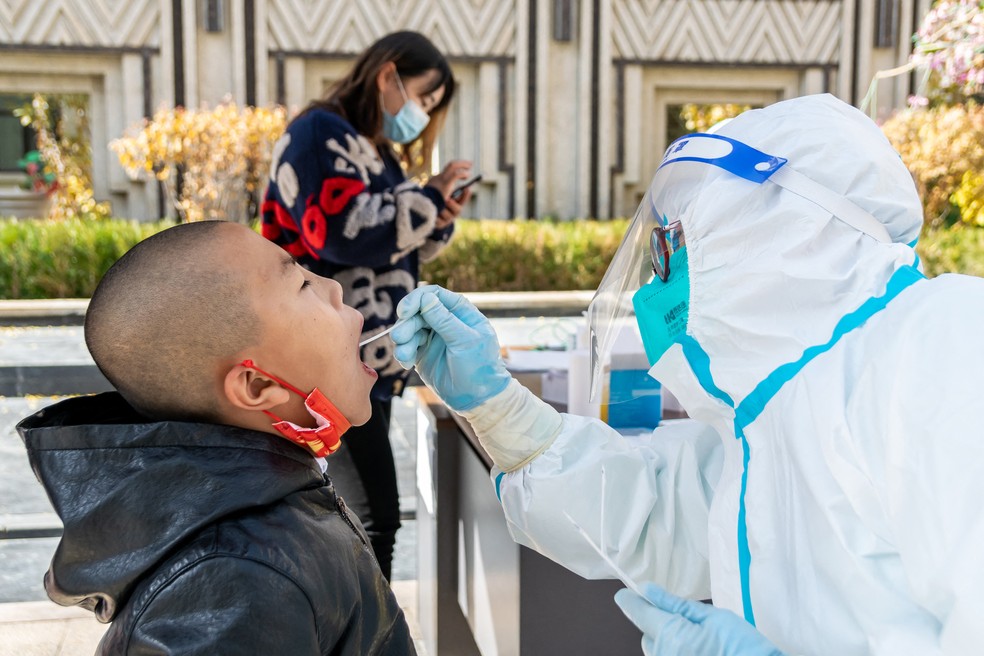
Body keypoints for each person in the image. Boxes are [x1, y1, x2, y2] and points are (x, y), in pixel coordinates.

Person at [390, 94, 984, 654]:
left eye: (674, 247)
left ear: (776, 234)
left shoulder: (943, 344)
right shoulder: (766, 419)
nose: (657, 284)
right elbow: (650, 515)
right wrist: (497, 407)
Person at [17, 221, 416, 655]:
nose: (335, 289)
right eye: (302, 283)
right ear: (258, 386)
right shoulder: (235, 583)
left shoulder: (281, 498)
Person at [261, 30, 473, 580]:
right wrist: (425, 199)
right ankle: (365, 635)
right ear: (388, 76)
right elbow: (342, 232)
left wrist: (438, 209)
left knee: (361, 515)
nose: (422, 115)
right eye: (422, 97)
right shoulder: (319, 134)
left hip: (361, 359)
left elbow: (390, 239)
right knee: (373, 518)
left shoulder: (372, 147)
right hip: (322, 358)